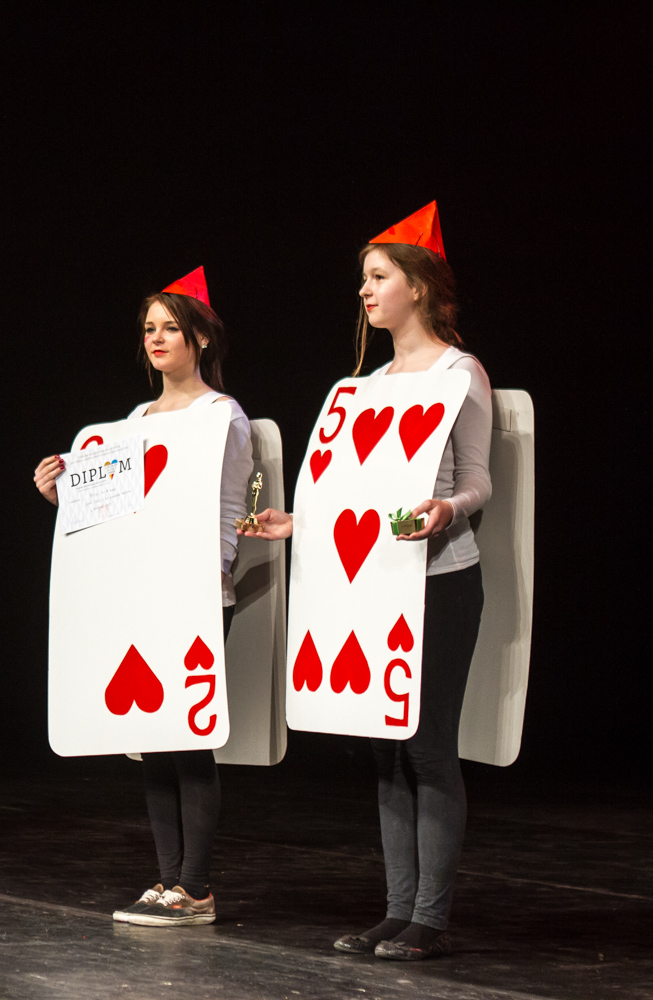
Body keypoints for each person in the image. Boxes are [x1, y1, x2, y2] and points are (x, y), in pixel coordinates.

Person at [243, 202, 492, 960]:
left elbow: (479, 480)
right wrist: (299, 523)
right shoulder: (367, 385)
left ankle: (430, 920)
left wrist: (446, 509)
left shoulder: (459, 373)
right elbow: (350, 496)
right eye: (363, 279)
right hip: (376, 582)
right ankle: (396, 912)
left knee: (428, 747)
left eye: (378, 277)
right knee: (385, 749)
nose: (364, 290)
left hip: (440, 580)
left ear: (418, 286)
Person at [33, 267, 254, 927]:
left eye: (170, 328)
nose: (157, 338)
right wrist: (62, 496)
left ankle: (196, 887)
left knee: (188, 737)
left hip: (195, 595)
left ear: (200, 339)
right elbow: (115, 516)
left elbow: (226, 514)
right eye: (150, 328)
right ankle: (167, 881)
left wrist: (200, 582)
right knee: (152, 738)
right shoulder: (133, 422)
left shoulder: (222, 416)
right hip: (140, 594)